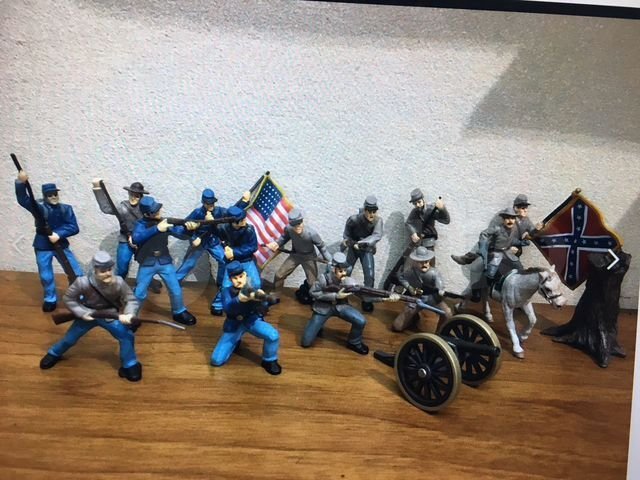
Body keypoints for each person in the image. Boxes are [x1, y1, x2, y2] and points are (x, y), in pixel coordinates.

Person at [39, 251, 142, 381]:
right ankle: (54, 353)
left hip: (110, 316)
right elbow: (69, 299)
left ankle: (130, 363)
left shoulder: (119, 282)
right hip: (88, 315)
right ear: (94, 270)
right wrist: (83, 313)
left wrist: (129, 314)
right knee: (70, 338)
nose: (108, 273)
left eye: (109, 269)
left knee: (127, 336)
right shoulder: (82, 283)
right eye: (103, 271)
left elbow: (131, 300)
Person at [15, 171, 84, 312]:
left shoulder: (66, 208)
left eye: (55, 194)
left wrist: (59, 234)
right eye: (49, 195)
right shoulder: (39, 208)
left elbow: (73, 227)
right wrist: (20, 182)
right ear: (45, 196)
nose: (53, 197)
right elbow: (23, 199)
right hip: (43, 245)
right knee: (46, 275)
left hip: (61, 244)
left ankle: (79, 295)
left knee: (75, 271)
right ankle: (50, 299)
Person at [131, 196, 198, 325]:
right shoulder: (141, 225)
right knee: (139, 293)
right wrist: (156, 229)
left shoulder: (164, 222)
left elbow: (180, 234)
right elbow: (136, 238)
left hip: (164, 261)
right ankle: (132, 316)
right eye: (155, 211)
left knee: (175, 288)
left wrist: (189, 230)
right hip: (148, 262)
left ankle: (179, 311)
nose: (159, 212)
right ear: (147, 214)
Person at [210, 261, 281, 375]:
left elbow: (263, 307)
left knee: (273, 336)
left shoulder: (252, 288)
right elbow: (228, 308)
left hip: (252, 321)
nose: (239, 280)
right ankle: (235, 342)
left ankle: (269, 360)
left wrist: (265, 301)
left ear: (245, 275)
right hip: (235, 324)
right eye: (235, 278)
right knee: (216, 360)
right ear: (230, 280)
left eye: (241, 276)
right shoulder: (226, 292)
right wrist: (238, 300)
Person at [174, 187, 250, 289]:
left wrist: (244, 201)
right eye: (208, 203)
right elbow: (184, 228)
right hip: (200, 241)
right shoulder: (197, 213)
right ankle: (175, 281)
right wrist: (193, 237)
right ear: (203, 203)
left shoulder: (219, 211)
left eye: (212, 203)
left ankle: (220, 283)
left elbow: (232, 213)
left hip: (213, 240)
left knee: (223, 260)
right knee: (189, 263)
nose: (211, 205)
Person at [301, 252, 371, 355]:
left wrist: (382, 298)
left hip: (341, 306)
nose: (344, 273)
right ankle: (317, 327)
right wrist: (335, 296)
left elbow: (361, 294)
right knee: (306, 341)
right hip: (323, 308)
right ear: (333, 269)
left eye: (345, 270)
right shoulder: (323, 279)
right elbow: (313, 292)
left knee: (360, 321)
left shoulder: (347, 280)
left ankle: (354, 342)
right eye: (340, 271)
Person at [451, 193, 543, 266]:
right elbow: (494, 231)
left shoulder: (526, 221)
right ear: (515, 208)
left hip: (514, 245)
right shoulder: (506, 215)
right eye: (523, 208)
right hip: (500, 243)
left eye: (526, 208)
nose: (526, 210)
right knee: (486, 243)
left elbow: (532, 234)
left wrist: (536, 229)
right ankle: (468, 258)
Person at [266, 208, 331, 304]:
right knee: (279, 275)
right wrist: (276, 244)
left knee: (312, 282)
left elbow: (322, 247)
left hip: (309, 257)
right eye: (294, 225)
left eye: (299, 224)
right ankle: (276, 294)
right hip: (295, 255)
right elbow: (284, 238)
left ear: (302, 222)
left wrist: (329, 260)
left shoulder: (311, 233)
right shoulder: (289, 229)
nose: (297, 228)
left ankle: (315, 299)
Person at [211, 206, 261, 314]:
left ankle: (255, 304)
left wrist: (234, 251)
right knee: (226, 285)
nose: (244, 221)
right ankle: (218, 304)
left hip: (246, 260)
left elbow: (253, 247)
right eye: (241, 220)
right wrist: (210, 221)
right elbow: (214, 233)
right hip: (231, 262)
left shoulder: (249, 230)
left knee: (256, 283)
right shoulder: (224, 228)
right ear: (233, 222)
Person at [392, 247, 452, 332]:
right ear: (415, 262)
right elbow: (401, 278)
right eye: (421, 262)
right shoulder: (410, 272)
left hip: (433, 298)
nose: (424, 264)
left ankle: (441, 332)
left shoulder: (434, 273)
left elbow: (439, 283)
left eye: (426, 261)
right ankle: (412, 319)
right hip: (417, 298)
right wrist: (409, 287)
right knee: (397, 326)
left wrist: (440, 290)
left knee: (447, 313)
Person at [342, 195, 383, 313]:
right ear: (364, 210)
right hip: (353, 248)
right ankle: (342, 295)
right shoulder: (353, 219)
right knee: (346, 270)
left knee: (369, 274)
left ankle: (367, 298)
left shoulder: (378, 221)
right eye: (369, 211)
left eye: (374, 211)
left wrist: (361, 243)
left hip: (366, 249)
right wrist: (350, 242)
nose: (372, 214)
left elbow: (377, 235)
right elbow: (346, 235)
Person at [405, 188, 450, 259]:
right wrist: (413, 233)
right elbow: (408, 223)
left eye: (419, 202)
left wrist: (442, 209)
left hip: (429, 238)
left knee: (429, 257)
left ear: (423, 200)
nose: (418, 205)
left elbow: (446, 221)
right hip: (419, 240)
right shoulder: (415, 211)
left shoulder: (431, 209)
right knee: (417, 258)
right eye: (415, 203)